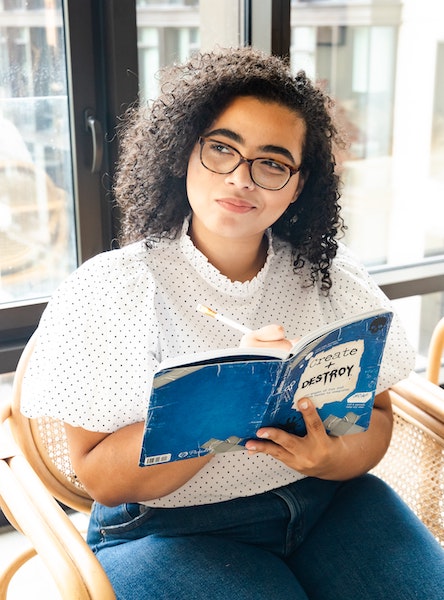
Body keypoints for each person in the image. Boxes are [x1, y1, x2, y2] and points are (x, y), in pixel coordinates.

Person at [21, 47, 444, 599]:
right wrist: (224, 400)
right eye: (222, 149)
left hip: (328, 502)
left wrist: (333, 456)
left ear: (297, 184)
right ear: (182, 153)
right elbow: (99, 476)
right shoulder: (112, 289)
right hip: (170, 530)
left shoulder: (333, 279)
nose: (243, 178)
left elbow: (380, 416)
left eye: (272, 162)